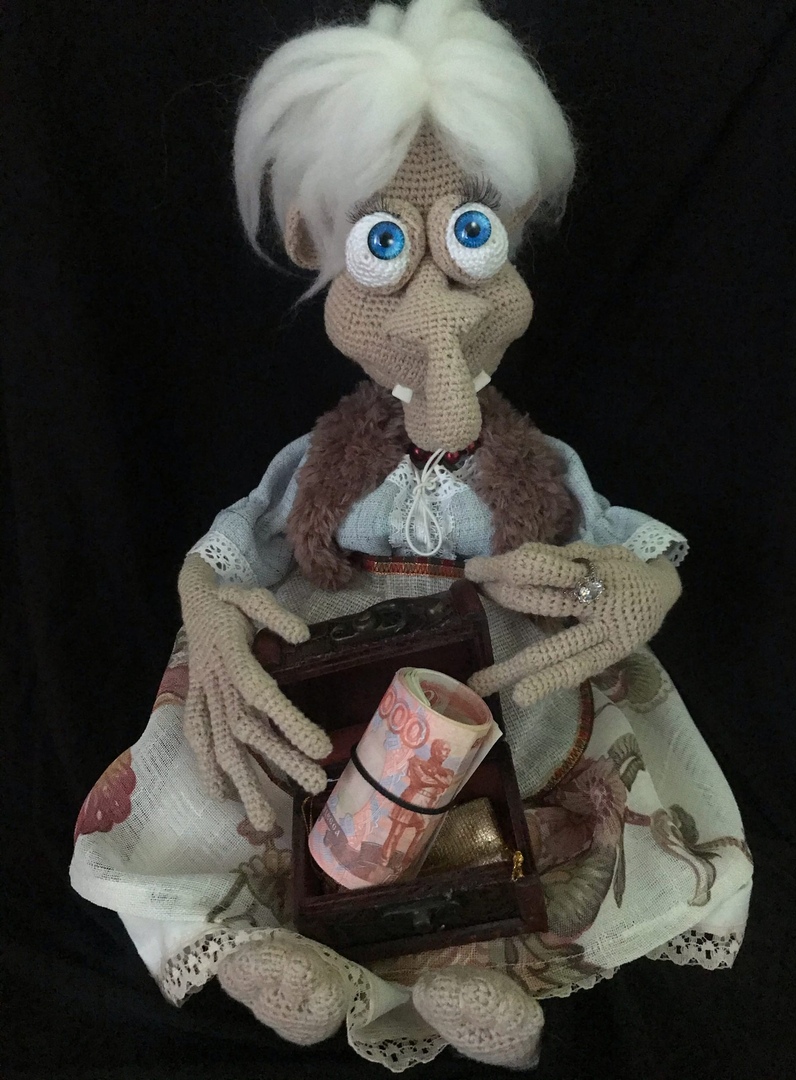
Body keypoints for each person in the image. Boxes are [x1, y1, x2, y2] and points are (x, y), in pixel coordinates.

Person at [70, 0, 753, 1070]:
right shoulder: (326, 457)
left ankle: (477, 978)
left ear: (509, 229)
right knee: (271, 788)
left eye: (469, 236)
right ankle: (271, 954)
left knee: (519, 813)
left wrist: (640, 585)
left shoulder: (533, 464)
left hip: (495, 674)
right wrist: (206, 600)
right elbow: (242, 539)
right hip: (339, 665)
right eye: (385, 243)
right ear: (321, 249)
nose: (436, 300)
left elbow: (622, 541)